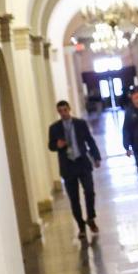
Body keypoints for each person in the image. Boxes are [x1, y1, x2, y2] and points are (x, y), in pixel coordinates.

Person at [47, 100, 102, 238]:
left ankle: (91, 218)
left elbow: (89, 140)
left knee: (89, 191)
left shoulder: (80, 124)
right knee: (74, 198)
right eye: (60, 111)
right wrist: (57, 145)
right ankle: (81, 226)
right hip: (68, 166)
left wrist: (96, 157)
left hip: (82, 162)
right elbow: (51, 146)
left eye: (65, 110)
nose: (63, 113)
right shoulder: (54, 128)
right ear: (58, 112)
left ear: (69, 109)